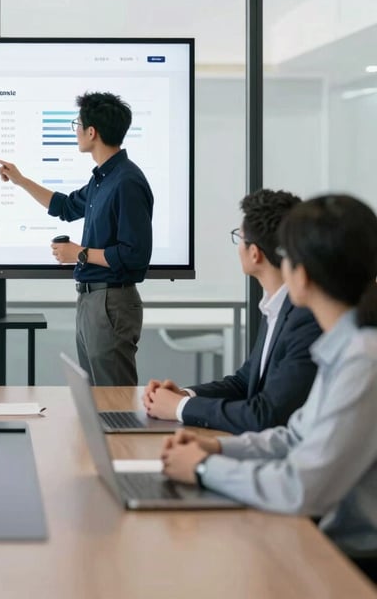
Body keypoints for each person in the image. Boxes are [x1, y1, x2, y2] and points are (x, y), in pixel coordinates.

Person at [160, 194, 377, 581]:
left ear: (303, 275)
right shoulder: (343, 346)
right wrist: (216, 446)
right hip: (323, 541)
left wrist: (205, 468)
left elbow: (301, 488)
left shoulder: (363, 359)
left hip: (348, 563)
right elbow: (294, 437)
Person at [0, 91, 153, 386]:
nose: (76, 131)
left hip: (112, 300)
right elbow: (65, 207)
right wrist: (21, 180)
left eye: (77, 124)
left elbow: (135, 255)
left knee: (115, 401)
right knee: (96, 400)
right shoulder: (102, 179)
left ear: (92, 132)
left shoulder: (127, 182)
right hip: (92, 300)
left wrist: (79, 254)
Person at [143, 189, 320, 433]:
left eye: (240, 238)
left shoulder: (305, 317)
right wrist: (184, 395)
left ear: (255, 253)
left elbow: (266, 415)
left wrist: (180, 407)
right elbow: (245, 383)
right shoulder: (276, 305)